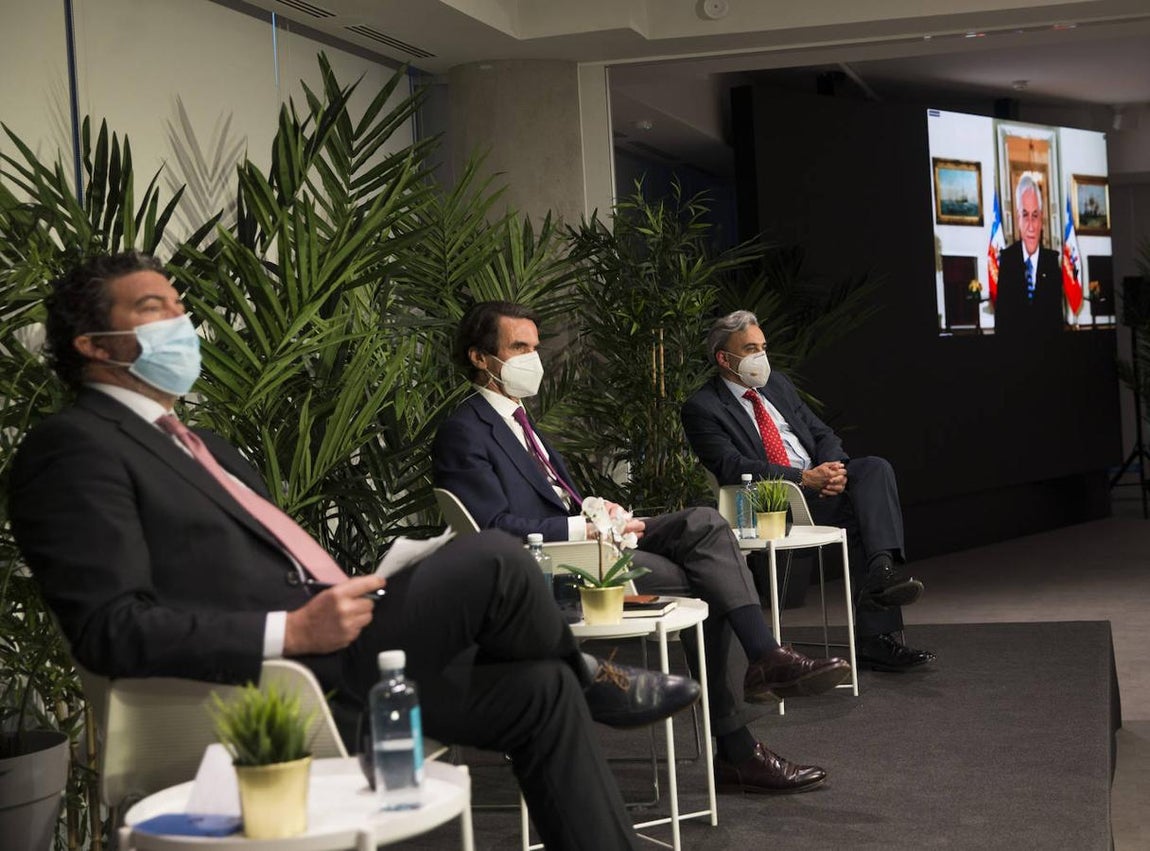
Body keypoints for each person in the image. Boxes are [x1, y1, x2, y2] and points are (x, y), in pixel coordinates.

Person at [8, 252, 703, 851]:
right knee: (494, 556)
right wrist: (292, 628)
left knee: (540, 692)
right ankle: (586, 671)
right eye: (156, 308)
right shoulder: (72, 449)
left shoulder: (200, 445)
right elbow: (109, 629)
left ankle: (571, 678)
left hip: (347, 643)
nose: (182, 323)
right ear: (94, 344)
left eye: (181, 306)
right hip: (287, 672)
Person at [433, 300, 852, 796]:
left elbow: (553, 495)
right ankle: (742, 739)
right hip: (556, 566)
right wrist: (583, 528)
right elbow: (491, 525)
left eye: (536, 347)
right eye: (519, 348)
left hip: (594, 539)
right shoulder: (465, 429)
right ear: (480, 358)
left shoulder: (520, 419)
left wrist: (603, 512)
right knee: (713, 579)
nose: (534, 360)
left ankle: (765, 661)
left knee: (703, 522)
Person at [681, 310, 936, 672]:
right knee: (866, 516)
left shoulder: (778, 385)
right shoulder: (702, 407)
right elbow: (732, 466)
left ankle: (880, 579)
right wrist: (803, 479)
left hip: (821, 487)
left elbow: (822, 434)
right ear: (724, 358)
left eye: (763, 347)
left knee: (874, 469)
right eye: (751, 348)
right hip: (774, 506)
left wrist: (833, 470)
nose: (761, 357)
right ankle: (875, 633)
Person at [995, 172, 1064, 334]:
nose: (1031, 226)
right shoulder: (1007, 260)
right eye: (1025, 216)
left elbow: (1057, 323)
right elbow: (1002, 322)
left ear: (1041, 221)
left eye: (1035, 216)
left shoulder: (1052, 263)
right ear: (1018, 219)